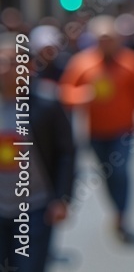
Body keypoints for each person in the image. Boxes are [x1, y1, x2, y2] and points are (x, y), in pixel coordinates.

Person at [59, 15, 134, 240]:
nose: (106, 42)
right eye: (101, 38)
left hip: (124, 131)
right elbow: (64, 93)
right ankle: (116, 209)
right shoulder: (82, 63)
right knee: (107, 174)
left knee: (120, 172)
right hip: (95, 132)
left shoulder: (132, 62)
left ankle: (122, 215)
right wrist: (82, 96)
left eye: (110, 38)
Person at [0, 33, 76, 272]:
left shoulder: (47, 103)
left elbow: (66, 152)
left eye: (12, 63)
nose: (5, 70)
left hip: (35, 206)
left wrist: (61, 198)